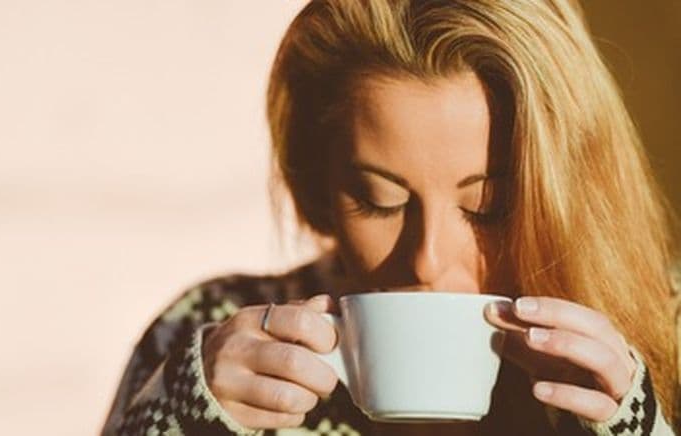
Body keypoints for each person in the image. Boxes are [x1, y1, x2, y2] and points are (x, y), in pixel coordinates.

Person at [102, 0, 680, 434]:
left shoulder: (667, 329)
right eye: (380, 200)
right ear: (320, 183)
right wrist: (180, 418)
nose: (427, 259)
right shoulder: (213, 327)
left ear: (572, 186)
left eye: (489, 207)